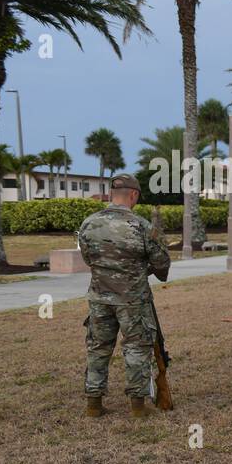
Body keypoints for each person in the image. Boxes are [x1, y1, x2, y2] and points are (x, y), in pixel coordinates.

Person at [78, 173, 171, 418]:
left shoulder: (89, 223)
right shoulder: (142, 226)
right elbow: (161, 263)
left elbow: (88, 259)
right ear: (133, 195)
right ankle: (138, 407)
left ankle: (93, 404)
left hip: (99, 298)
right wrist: (145, 270)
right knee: (137, 348)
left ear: (112, 194)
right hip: (133, 300)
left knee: (98, 348)